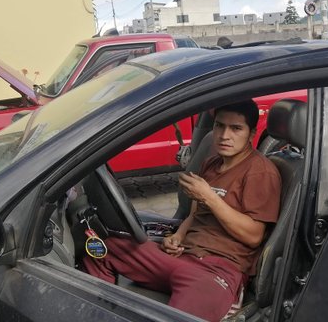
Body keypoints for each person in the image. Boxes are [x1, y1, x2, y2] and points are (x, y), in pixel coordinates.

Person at [83, 100, 281, 322]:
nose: (225, 135)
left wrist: (209, 196)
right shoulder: (211, 163)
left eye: (236, 128)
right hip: (183, 257)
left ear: (252, 133)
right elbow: (195, 214)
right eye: (219, 125)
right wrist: (177, 237)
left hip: (217, 272)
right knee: (101, 246)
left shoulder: (261, 172)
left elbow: (254, 236)